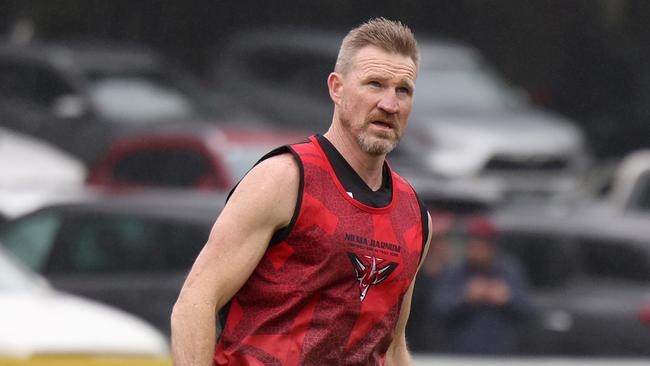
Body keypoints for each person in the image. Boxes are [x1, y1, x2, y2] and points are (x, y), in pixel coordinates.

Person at [171, 17, 432, 366]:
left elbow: (393, 347)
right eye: (375, 84)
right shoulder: (284, 179)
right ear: (336, 88)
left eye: (403, 90)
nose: (390, 104)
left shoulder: (414, 217)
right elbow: (195, 303)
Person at [431, 216, 532, 355]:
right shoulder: (454, 272)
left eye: (481, 247)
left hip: (501, 354)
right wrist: (466, 297)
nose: (476, 252)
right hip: (460, 353)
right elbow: (438, 308)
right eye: (472, 246)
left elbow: (527, 308)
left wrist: (507, 298)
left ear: (492, 248)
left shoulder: (509, 270)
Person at [406, 211, 454, 352]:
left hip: (447, 350)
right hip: (415, 347)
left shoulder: (454, 275)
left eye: (445, 241)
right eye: (438, 242)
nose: (443, 247)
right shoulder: (411, 275)